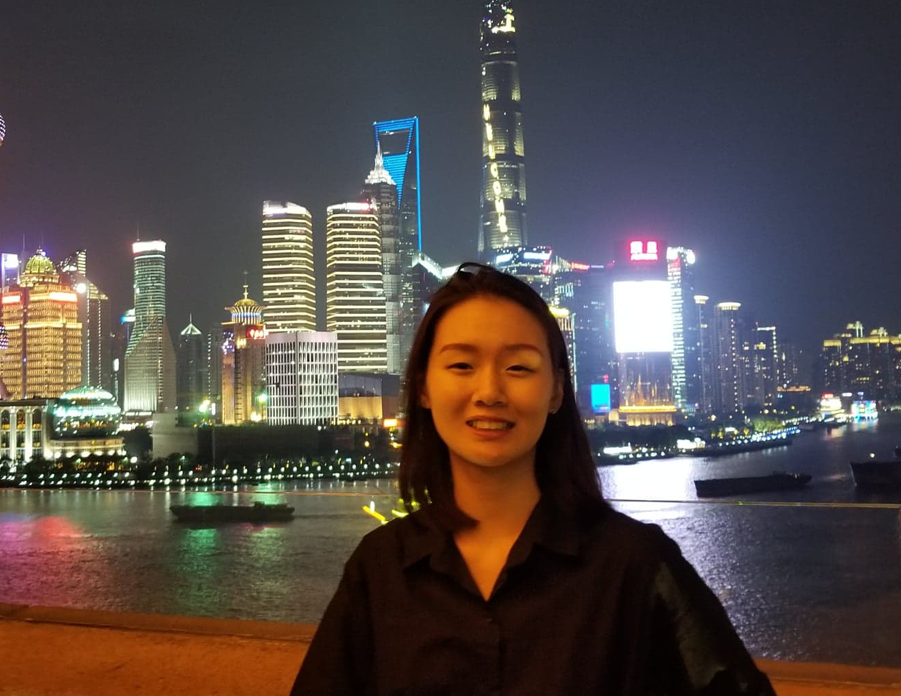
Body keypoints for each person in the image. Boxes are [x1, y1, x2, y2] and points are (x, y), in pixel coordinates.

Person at [290, 262, 776, 696]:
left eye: (518, 367)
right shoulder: (380, 570)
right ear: (423, 388)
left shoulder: (635, 566)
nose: (489, 391)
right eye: (461, 365)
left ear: (556, 391)